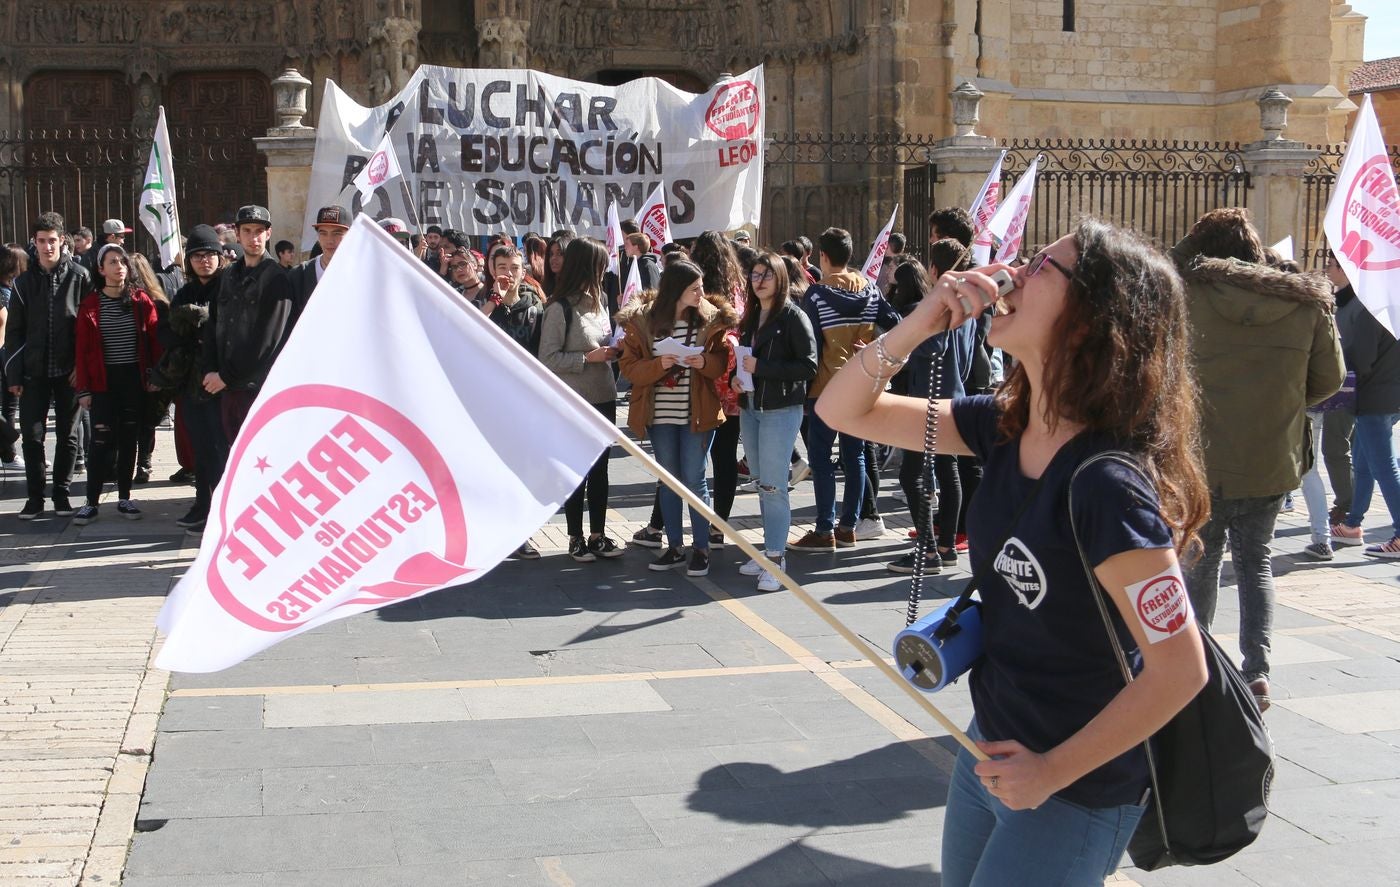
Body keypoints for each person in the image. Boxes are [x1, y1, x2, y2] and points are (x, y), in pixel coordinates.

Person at [816, 218, 1211, 886]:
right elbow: (843, 410)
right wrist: (918, 323)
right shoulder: (1004, 423)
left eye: (1041, 269)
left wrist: (1050, 771)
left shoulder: (1110, 486)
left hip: (1074, 786)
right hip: (991, 750)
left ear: (1089, 319)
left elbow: (1180, 668)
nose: (1012, 275)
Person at [1171, 208, 1343, 712]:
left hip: (1201, 457)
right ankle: (1257, 671)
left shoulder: (1186, 298)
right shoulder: (1305, 302)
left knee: (1199, 564)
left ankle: (1195, 667)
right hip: (1270, 455)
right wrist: (1282, 401)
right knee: (1255, 563)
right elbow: (1329, 381)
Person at [619, 261, 737, 576]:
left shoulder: (709, 320)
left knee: (695, 479)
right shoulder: (644, 321)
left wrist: (703, 361)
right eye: (694, 288)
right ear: (676, 291)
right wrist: (660, 365)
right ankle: (674, 547)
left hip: (698, 412)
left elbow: (721, 363)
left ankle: (701, 549)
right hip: (660, 415)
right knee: (669, 481)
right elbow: (629, 367)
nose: (702, 293)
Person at [789, 227, 900, 551]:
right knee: (855, 456)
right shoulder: (870, 291)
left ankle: (824, 529)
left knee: (821, 459)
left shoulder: (817, 295)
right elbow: (896, 323)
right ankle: (849, 526)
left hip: (825, 388)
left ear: (823, 256)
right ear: (850, 255)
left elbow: (809, 344)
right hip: (860, 384)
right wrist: (874, 346)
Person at [884, 258, 977, 575]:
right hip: (949, 396)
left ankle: (929, 550)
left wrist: (902, 343)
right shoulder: (963, 308)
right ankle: (944, 548)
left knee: (911, 476)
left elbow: (934, 347)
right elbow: (960, 358)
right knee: (946, 470)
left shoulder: (936, 308)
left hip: (932, 401)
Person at [538, 237, 624, 562]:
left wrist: (617, 349)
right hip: (574, 401)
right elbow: (547, 358)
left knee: (600, 469)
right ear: (587, 267)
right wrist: (590, 357)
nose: (605, 271)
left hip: (604, 396)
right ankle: (575, 537)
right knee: (576, 470)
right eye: (600, 265)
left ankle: (598, 534)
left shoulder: (600, 301)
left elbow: (604, 344)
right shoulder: (559, 308)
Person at [735, 253, 817, 589]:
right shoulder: (752, 316)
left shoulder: (793, 316)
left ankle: (776, 558)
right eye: (755, 274)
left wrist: (761, 369)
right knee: (760, 482)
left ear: (780, 278)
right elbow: (745, 359)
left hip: (780, 410)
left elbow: (808, 366)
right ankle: (767, 552)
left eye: (767, 275)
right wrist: (738, 378)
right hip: (751, 405)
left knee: (773, 485)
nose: (759, 281)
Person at [6, 213, 90, 519]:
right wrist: (14, 373)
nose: (47, 246)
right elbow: (14, 331)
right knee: (32, 435)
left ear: (62, 241)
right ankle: (35, 497)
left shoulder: (79, 276)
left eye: (52, 240)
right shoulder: (23, 283)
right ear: (34, 243)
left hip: (69, 372)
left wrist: (83, 367)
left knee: (69, 435)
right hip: (33, 372)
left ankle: (62, 494)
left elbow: (89, 327)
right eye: (41, 241)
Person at [72, 245, 162, 524]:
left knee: (128, 440)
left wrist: (155, 377)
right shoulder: (90, 304)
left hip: (132, 381)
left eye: (123, 261)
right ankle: (91, 502)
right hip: (102, 382)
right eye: (112, 262)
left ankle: (124, 497)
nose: (119, 266)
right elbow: (83, 351)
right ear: (101, 269)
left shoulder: (141, 301)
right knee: (100, 442)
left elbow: (155, 342)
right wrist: (84, 390)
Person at [201, 205, 295, 442]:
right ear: (238, 233)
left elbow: (267, 340)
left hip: (257, 389)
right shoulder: (228, 275)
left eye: (259, 231)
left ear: (268, 234)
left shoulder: (276, 278)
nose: (254, 238)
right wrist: (211, 370)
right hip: (227, 389)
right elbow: (213, 324)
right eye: (247, 231)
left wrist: (226, 376)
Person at [157, 225, 228, 534]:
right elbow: (167, 332)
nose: (204, 261)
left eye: (210, 254)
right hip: (190, 383)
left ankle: (224, 507)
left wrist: (200, 321)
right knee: (200, 450)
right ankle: (203, 503)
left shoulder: (230, 286)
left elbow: (229, 330)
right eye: (197, 255)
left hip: (223, 384)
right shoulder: (185, 291)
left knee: (223, 450)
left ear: (220, 256)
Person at [1330, 256, 1400, 558]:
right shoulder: (1386, 303)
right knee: (1364, 461)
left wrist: (1337, 355)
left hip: (1375, 398)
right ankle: (1353, 524)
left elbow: (1363, 357)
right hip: (1384, 395)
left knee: (1384, 467)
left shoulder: (1372, 308)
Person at [690, 231, 746, 547]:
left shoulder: (696, 292)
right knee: (726, 456)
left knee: (691, 455)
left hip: (701, 378)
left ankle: (666, 522)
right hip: (731, 381)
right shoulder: (738, 292)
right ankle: (718, 525)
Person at [127, 252, 173, 485]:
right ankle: (142, 463)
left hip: (145, 369)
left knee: (142, 420)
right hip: (138, 368)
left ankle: (142, 463)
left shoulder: (155, 304)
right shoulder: (156, 302)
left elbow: (160, 341)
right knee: (144, 421)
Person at [289, 205, 350, 317]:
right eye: (323, 233)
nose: (329, 240)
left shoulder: (362, 274)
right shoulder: (299, 276)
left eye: (337, 233)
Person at [480, 245, 543, 348]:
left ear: (523, 273)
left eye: (514, 268)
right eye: (502, 267)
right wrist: (495, 298)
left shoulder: (534, 312)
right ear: (494, 272)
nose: (509, 273)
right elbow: (472, 327)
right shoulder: (483, 304)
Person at [0, 246, 25, 469]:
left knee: (10, 405)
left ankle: (8, 452)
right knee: (9, 406)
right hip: (5, 354)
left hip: (6, 354)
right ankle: (8, 451)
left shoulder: (11, 290)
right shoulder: (5, 293)